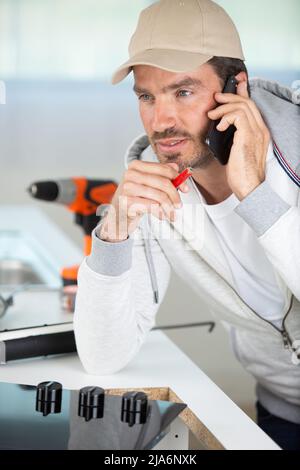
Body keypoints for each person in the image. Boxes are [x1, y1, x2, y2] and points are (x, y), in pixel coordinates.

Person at [74, 0, 300, 450]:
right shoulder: (155, 183)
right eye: (146, 96)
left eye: (183, 92)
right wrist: (114, 232)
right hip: (281, 415)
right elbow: (103, 356)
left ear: (237, 86)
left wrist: (255, 196)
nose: (161, 122)